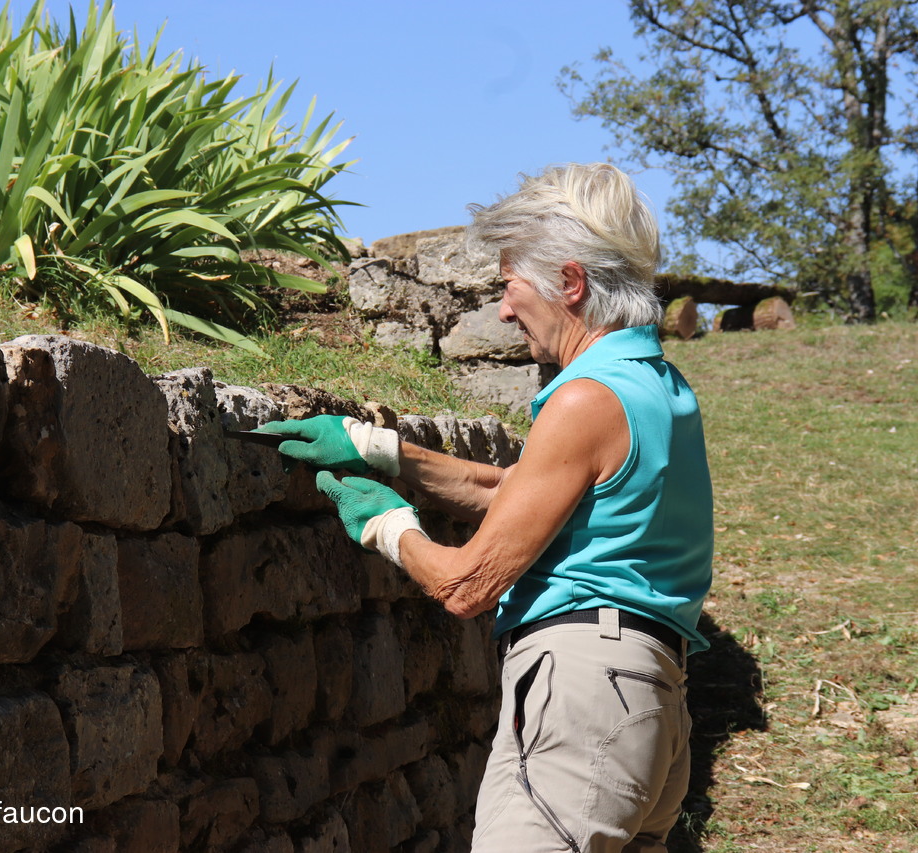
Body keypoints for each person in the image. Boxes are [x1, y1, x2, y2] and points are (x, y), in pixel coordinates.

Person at [258, 162, 713, 853]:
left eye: (509, 285)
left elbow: (467, 584)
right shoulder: (659, 387)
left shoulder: (587, 399)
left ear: (570, 282)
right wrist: (382, 448)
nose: (502, 310)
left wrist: (388, 526)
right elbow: (523, 497)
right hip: (653, 707)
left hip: (584, 697)